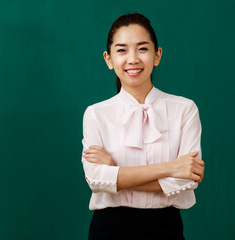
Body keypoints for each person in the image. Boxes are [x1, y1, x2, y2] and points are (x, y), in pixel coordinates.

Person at [81, 13, 205, 239]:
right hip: (109, 229)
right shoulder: (96, 114)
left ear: (157, 55)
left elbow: (186, 179)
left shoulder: (185, 109)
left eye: (142, 49)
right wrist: (170, 167)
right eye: (121, 50)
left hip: (166, 228)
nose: (132, 59)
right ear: (108, 59)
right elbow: (96, 180)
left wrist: (115, 174)